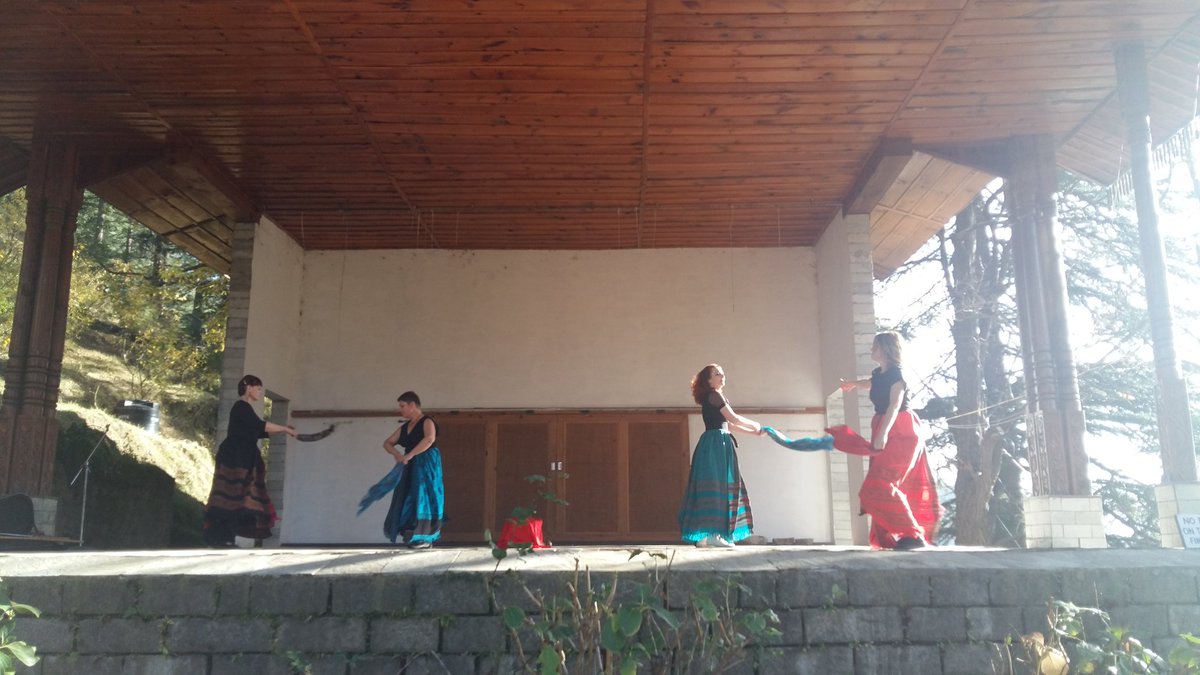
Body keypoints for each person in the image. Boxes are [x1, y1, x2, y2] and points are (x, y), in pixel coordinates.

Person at [833, 332, 941, 550]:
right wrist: (853, 384)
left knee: (881, 483)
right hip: (884, 426)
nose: (872, 349)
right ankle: (902, 535)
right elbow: (871, 383)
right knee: (877, 484)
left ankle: (913, 535)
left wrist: (883, 433)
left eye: (875, 346)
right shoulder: (880, 374)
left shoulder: (898, 375)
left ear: (886, 348)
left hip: (901, 429)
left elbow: (894, 404)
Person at [203, 374, 295, 548]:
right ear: (248, 387)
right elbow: (260, 426)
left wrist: (283, 430)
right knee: (232, 496)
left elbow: (258, 430)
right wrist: (284, 428)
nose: (260, 392)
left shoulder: (245, 409)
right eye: (258, 388)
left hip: (243, 457)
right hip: (234, 457)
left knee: (239, 497)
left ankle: (225, 538)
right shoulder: (241, 407)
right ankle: (219, 537)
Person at [678, 364, 765, 548]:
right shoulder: (714, 395)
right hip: (716, 444)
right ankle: (713, 535)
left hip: (716, 442)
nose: (722, 375)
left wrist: (754, 432)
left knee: (716, 486)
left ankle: (706, 536)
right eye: (717, 373)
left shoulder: (715, 396)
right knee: (720, 487)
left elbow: (730, 425)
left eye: (722, 373)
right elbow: (733, 418)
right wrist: (756, 424)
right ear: (708, 380)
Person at [381, 391, 445, 549]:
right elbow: (388, 443)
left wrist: (410, 454)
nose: (400, 410)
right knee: (407, 494)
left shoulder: (427, 421)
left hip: (426, 462)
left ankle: (426, 537)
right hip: (409, 463)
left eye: (403, 406)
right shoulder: (405, 427)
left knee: (425, 494)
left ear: (412, 405)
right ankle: (411, 533)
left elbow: (429, 439)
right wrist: (398, 454)